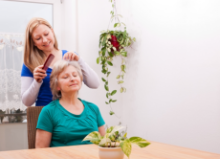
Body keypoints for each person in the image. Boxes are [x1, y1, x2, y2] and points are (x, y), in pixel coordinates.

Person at [21, 17, 100, 106]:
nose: (45, 40)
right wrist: (37, 82)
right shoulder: (29, 64)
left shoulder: (70, 58)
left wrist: (80, 61)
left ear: (52, 31)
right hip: (44, 114)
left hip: (69, 113)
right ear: (33, 43)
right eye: (38, 38)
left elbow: (95, 84)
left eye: (46, 34)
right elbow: (26, 102)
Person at [35, 60, 105, 148]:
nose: (72, 79)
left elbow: (105, 145)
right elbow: (40, 152)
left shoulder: (94, 109)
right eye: (65, 77)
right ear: (57, 85)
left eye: (75, 75)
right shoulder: (48, 112)